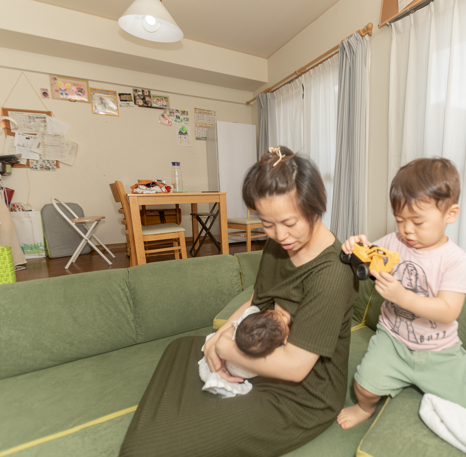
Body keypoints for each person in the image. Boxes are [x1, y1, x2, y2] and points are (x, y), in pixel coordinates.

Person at [119, 146, 358, 457]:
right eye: (267, 223)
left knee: (144, 451)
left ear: (315, 207)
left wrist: (227, 349)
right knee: (180, 348)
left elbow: (296, 368)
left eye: (289, 223)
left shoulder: (332, 273)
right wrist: (218, 338)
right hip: (263, 353)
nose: (280, 235)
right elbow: (256, 303)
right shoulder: (278, 246)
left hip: (303, 394)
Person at [337, 157, 466, 430]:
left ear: (450, 214)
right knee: (363, 387)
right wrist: (354, 247)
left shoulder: (455, 259)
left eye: (417, 222)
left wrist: (403, 297)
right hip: (392, 341)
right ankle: (364, 409)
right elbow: (367, 263)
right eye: (400, 220)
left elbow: (448, 311)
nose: (406, 230)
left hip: (439, 352)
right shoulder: (394, 242)